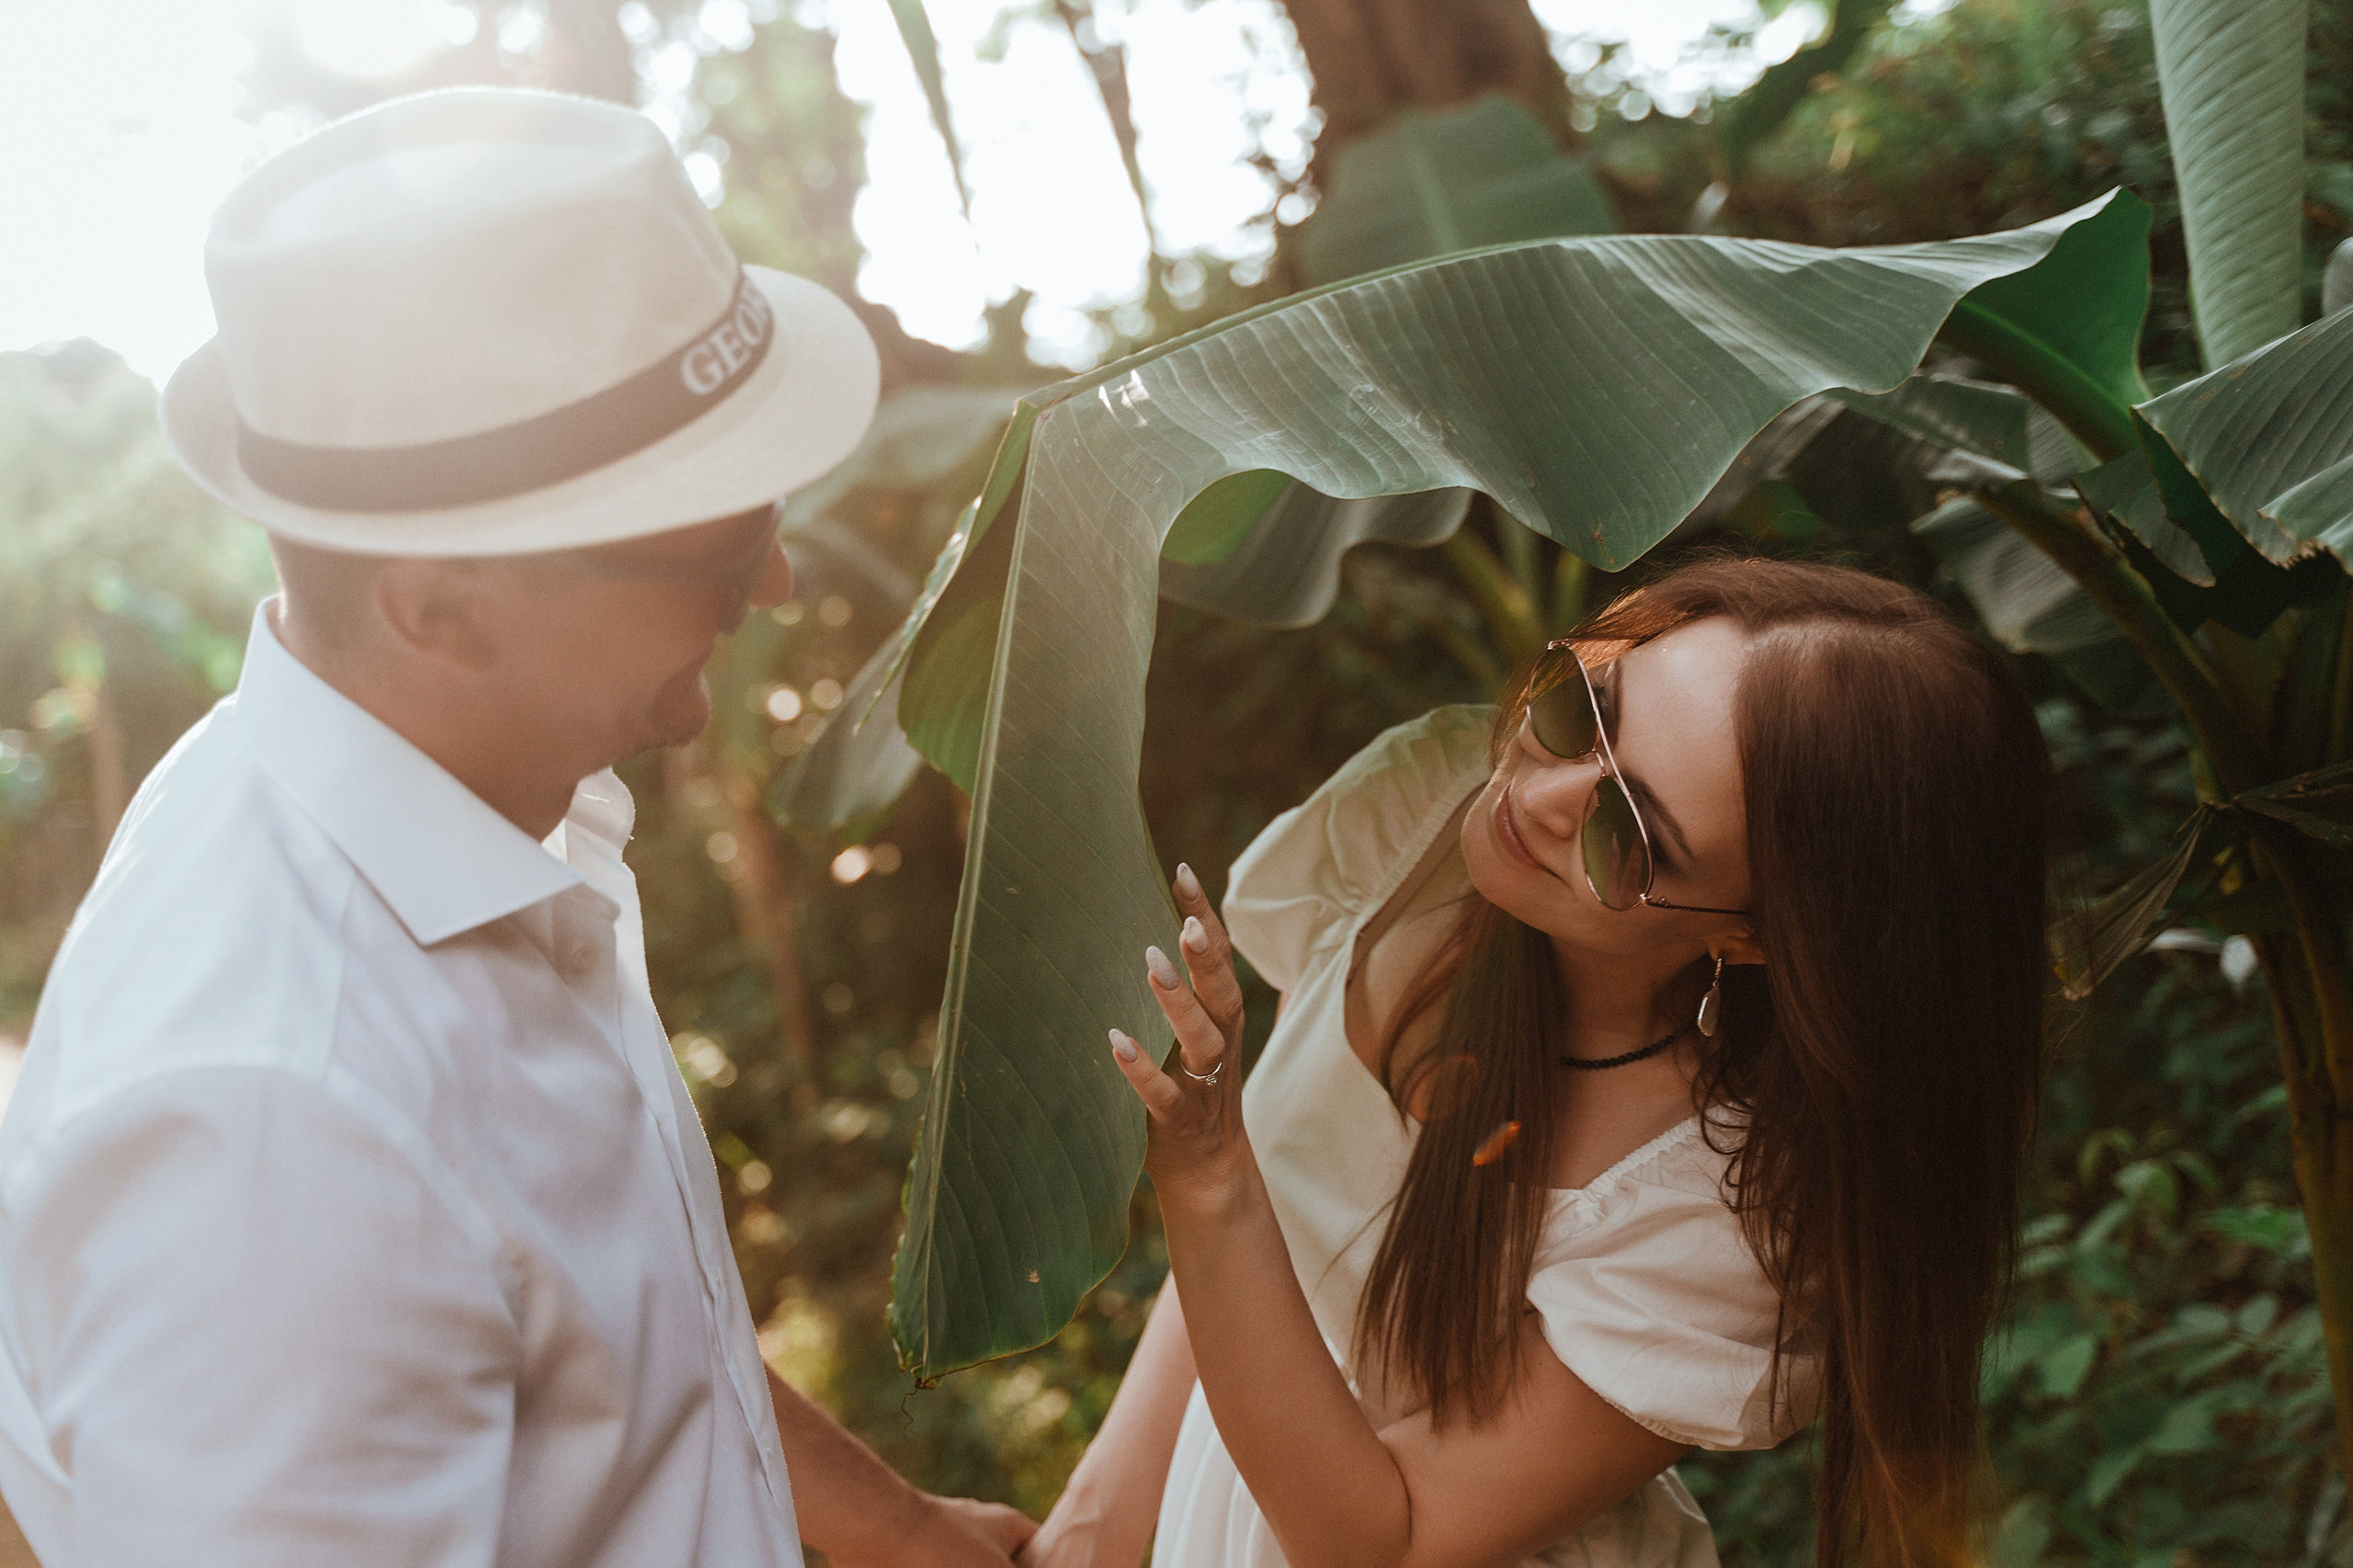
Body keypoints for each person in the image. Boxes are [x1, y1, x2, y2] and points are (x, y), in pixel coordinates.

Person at [0, 88, 1033, 1568]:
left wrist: (905, 1530)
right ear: (443, 607)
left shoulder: (465, 816)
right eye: (720, 543)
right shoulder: (282, 1137)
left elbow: (613, 1342)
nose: (784, 582)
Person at [1025, 557, 2051, 1568]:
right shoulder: (1417, 815)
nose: (1543, 791)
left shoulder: (1724, 1215)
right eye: (1578, 704)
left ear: (1750, 939)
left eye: (1630, 833)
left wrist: (1208, 1174)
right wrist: (1094, 1521)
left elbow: (1381, 1539)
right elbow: (1275, 1241)